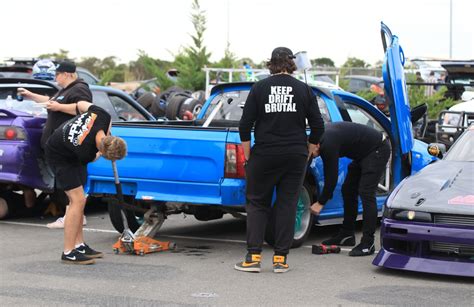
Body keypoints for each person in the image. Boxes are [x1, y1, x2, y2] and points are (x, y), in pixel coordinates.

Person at [236, 47, 325, 273]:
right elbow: (318, 126)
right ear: (292, 63)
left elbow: (245, 126)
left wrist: (248, 155)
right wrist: (308, 148)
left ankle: (253, 257)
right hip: (295, 155)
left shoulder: (259, 88)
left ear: (271, 63)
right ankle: (280, 260)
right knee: (287, 204)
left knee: (257, 203)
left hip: (264, 153)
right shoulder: (304, 90)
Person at [45, 101, 127, 264]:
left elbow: (82, 104)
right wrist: (100, 153)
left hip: (69, 149)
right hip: (58, 155)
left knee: (81, 199)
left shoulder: (103, 116)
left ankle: (79, 245)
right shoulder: (87, 152)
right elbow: (93, 157)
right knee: (77, 200)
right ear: (102, 152)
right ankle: (68, 252)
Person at [18, 60, 92, 228]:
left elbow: (84, 110)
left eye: (57, 74)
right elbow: (51, 100)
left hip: (68, 145)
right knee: (65, 181)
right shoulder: (66, 90)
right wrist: (30, 94)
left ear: (67, 74)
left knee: (71, 181)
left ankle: (75, 216)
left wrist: (59, 107)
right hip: (59, 145)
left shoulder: (80, 88)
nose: (56, 78)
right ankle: (72, 215)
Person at [310, 122, 391, 256]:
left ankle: (368, 243)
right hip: (363, 154)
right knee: (348, 190)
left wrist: (320, 202)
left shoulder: (327, 144)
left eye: (311, 153)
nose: (311, 156)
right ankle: (347, 234)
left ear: (316, 145)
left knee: (366, 192)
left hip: (377, 149)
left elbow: (331, 177)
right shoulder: (318, 139)